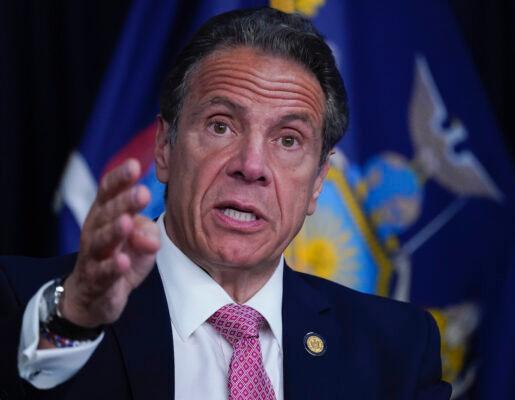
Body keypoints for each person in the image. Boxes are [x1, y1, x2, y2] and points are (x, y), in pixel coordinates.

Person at [0, 7, 451, 400]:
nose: (251, 165)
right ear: (164, 147)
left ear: (317, 183)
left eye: (288, 140)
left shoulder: (396, 349)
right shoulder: (28, 302)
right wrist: (73, 319)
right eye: (221, 126)